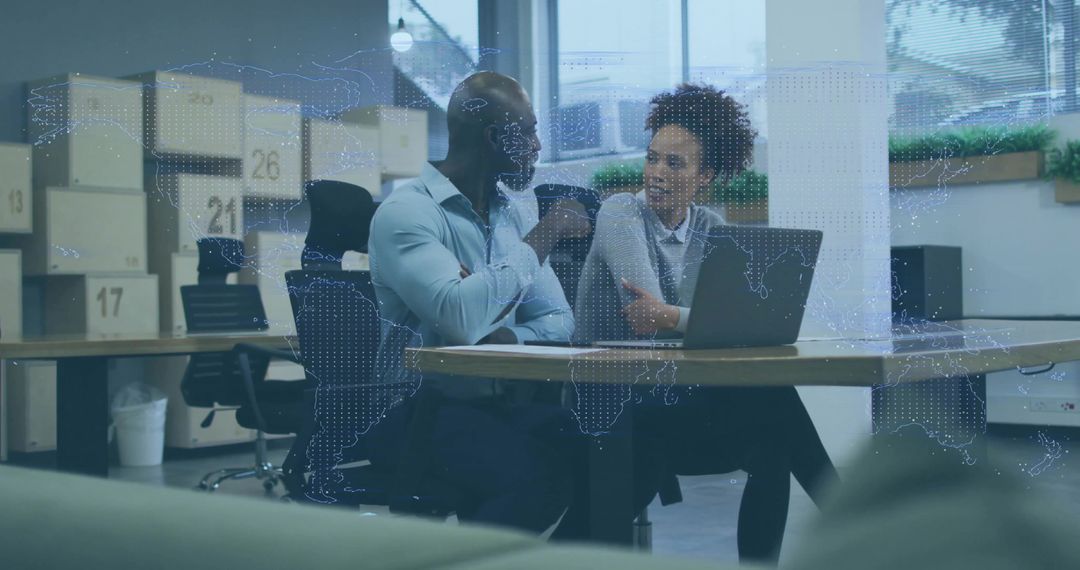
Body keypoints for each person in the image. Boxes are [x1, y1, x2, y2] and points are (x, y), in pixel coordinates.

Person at [569, 83, 840, 563]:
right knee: (774, 404)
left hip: (676, 400)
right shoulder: (620, 213)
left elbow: (715, 325)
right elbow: (652, 316)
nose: (656, 173)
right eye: (652, 158)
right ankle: (851, 517)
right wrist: (689, 319)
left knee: (772, 441)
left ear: (705, 177)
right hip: (614, 402)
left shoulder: (711, 226)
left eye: (675, 165)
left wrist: (679, 317)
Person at [366, 71, 592, 533]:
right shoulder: (407, 213)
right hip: (415, 411)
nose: (536, 145)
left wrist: (508, 334)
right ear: (494, 138)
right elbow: (462, 318)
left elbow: (559, 319)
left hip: (496, 403)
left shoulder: (510, 216)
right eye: (527, 131)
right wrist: (547, 232)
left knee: (618, 453)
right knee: (535, 477)